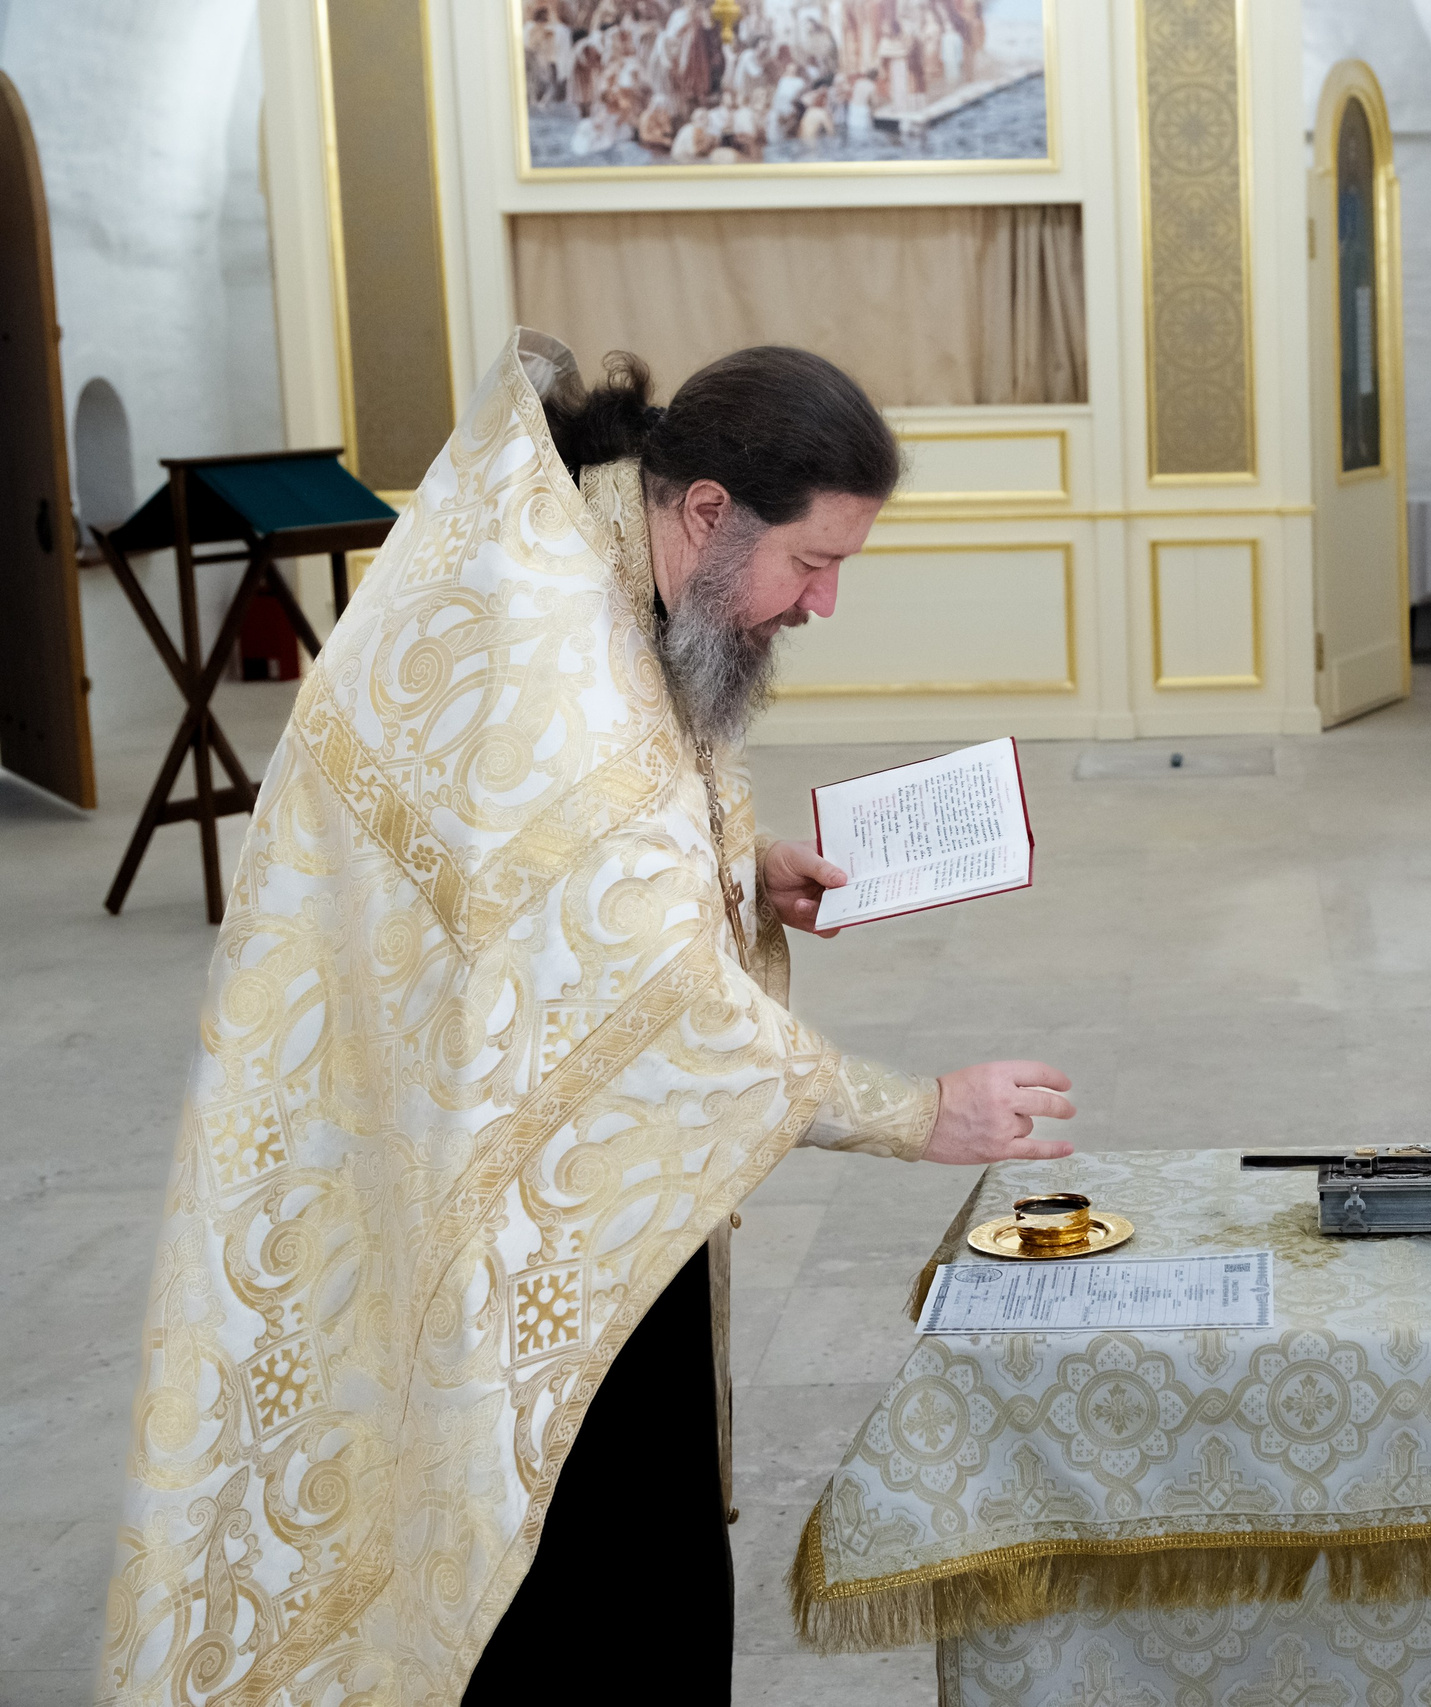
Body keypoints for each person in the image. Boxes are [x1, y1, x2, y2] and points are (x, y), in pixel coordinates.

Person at [98, 331, 1073, 1706]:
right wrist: (922, 1114)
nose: (824, 604)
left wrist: (736, 874)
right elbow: (654, 1001)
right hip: (506, 1173)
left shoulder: (599, 543)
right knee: (587, 1553)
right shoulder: (553, 636)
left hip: (546, 1144)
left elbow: (581, 871)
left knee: (609, 1528)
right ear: (708, 513)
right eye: (815, 563)